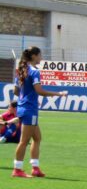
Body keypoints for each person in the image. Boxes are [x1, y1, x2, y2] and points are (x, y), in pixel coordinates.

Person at [12, 47, 68, 178]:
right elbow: (40, 91)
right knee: (24, 141)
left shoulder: (21, 69)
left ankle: (35, 168)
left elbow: (16, 91)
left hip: (23, 107)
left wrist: (28, 97)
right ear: (33, 56)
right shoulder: (34, 71)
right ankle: (17, 169)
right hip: (29, 109)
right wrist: (59, 94)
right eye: (39, 55)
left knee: (37, 138)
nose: (41, 58)